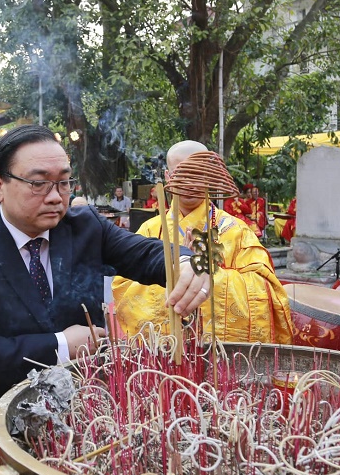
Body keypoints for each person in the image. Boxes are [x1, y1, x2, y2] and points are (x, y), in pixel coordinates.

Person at [0, 125, 209, 465]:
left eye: (64, 182)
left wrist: (187, 262)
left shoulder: (84, 226)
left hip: (82, 423)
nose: (55, 197)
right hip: (1, 429)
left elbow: (146, 253)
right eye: (38, 183)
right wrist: (61, 345)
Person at [113, 140, 293, 344]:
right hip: (165, 352)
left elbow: (264, 289)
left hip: (220, 354)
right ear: (168, 177)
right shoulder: (150, 231)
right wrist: (173, 272)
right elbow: (123, 285)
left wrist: (205, 273)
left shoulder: (237, 231)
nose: (189, 183)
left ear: (210, 175)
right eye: (182, 174)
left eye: (197, 173)